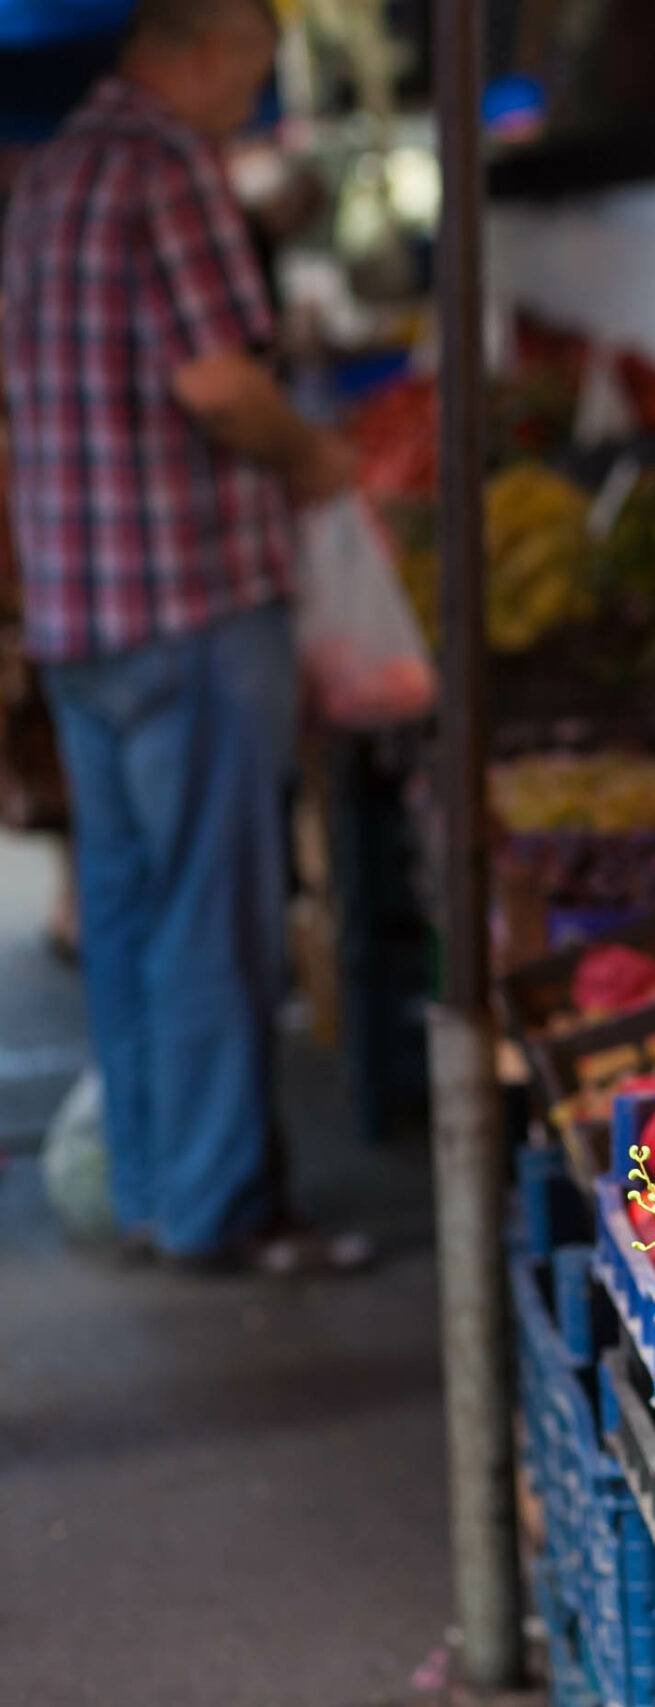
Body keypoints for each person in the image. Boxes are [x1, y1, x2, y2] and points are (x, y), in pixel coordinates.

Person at [2, 0, 361, 1271]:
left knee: (131, 910)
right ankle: (218, 1210)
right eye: (258, 72)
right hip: (190, 607)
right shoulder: (166, 166)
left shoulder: (53, 176)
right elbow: (217, 383)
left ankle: (155, 1189)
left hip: (82, 618)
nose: (254, 104)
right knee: (213, 913)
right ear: (203, 45)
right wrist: (316, 457)